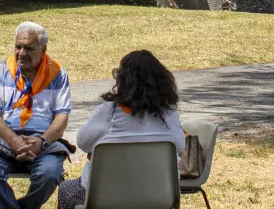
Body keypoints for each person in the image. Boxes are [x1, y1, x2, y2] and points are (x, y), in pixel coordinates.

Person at [56, 50, 185, 209]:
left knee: (65, 190)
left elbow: (83, 142)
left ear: (123, 80)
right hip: (160, 196)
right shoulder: (168, 112)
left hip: (107, 197)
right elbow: (179, 145)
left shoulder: (110, 110)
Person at [0, 22, 71, 209]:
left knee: (50, 173)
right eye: (18, 47)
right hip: (7, 139)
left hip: (43, 142)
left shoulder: (57, 74)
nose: (21, 53)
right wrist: (15, 142)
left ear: (43, 50)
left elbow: (61, 118)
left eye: (29, 48)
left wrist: (41, 143)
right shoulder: (1, 71)